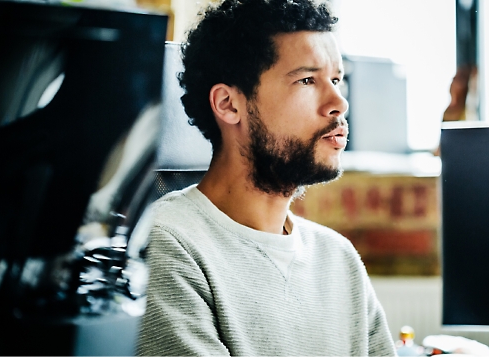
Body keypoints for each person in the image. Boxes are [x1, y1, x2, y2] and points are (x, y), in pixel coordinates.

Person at [136, 0, 396, 355]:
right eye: (307, 80)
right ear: (228, 104)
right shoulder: (168, 244)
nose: (338, 102)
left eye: (336, 79)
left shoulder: (338, 258)